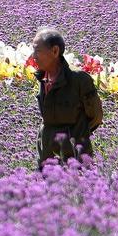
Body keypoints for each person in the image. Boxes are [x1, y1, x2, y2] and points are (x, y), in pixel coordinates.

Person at [32, 27, 104, 168]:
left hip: (75, 159)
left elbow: (96, 116)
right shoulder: (42, 77)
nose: (33, 56)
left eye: (37, 50)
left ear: (55, 51)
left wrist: (77, 134)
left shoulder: (79, 80)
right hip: (47, 158)